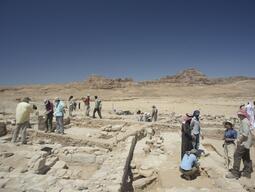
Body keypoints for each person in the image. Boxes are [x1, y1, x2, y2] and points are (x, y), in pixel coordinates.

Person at [226, 109, 253, 179]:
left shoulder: (244, 121)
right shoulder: (245, 120)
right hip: (247, 143)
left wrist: (239, 141)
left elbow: (245, 134)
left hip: (243, 142)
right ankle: (247, 172)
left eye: (238, 114)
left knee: (236, 156)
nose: (237, 115)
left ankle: (235, 173)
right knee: (246, 157)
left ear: (241, 115)